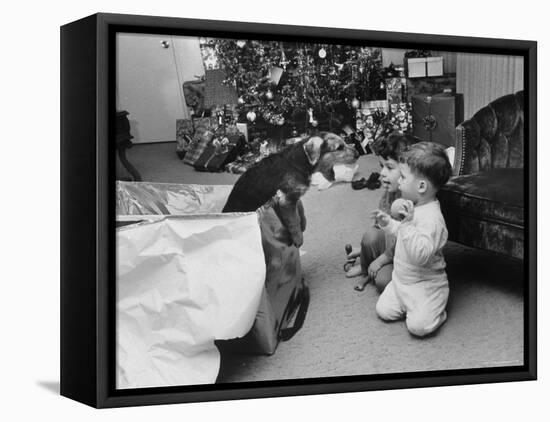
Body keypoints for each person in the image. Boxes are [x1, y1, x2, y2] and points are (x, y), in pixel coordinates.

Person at [373, 141, 452, 337]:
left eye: (403, 177)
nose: (399, 181)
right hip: (402, 281)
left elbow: (420, 256)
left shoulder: (433, 220)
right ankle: (406, 301)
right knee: (383, 311)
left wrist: (407, 224)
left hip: (424, 283)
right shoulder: (414, 206)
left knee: (418, 327)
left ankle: (437, 306)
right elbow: (404, 233)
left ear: (422, 186)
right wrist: (389, 224)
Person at [345, 132, 415, 292]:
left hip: (407, 254)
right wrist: (366, 250)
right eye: (381, 166)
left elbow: (407, 241)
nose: (382, 173)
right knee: (370, 237)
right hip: (391, 245)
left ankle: (374, 264)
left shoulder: (412, 200)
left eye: (389, 167)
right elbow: (378, 228)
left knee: (383, 282)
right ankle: (365, 266)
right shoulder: (390, 191)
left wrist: (383, 259)